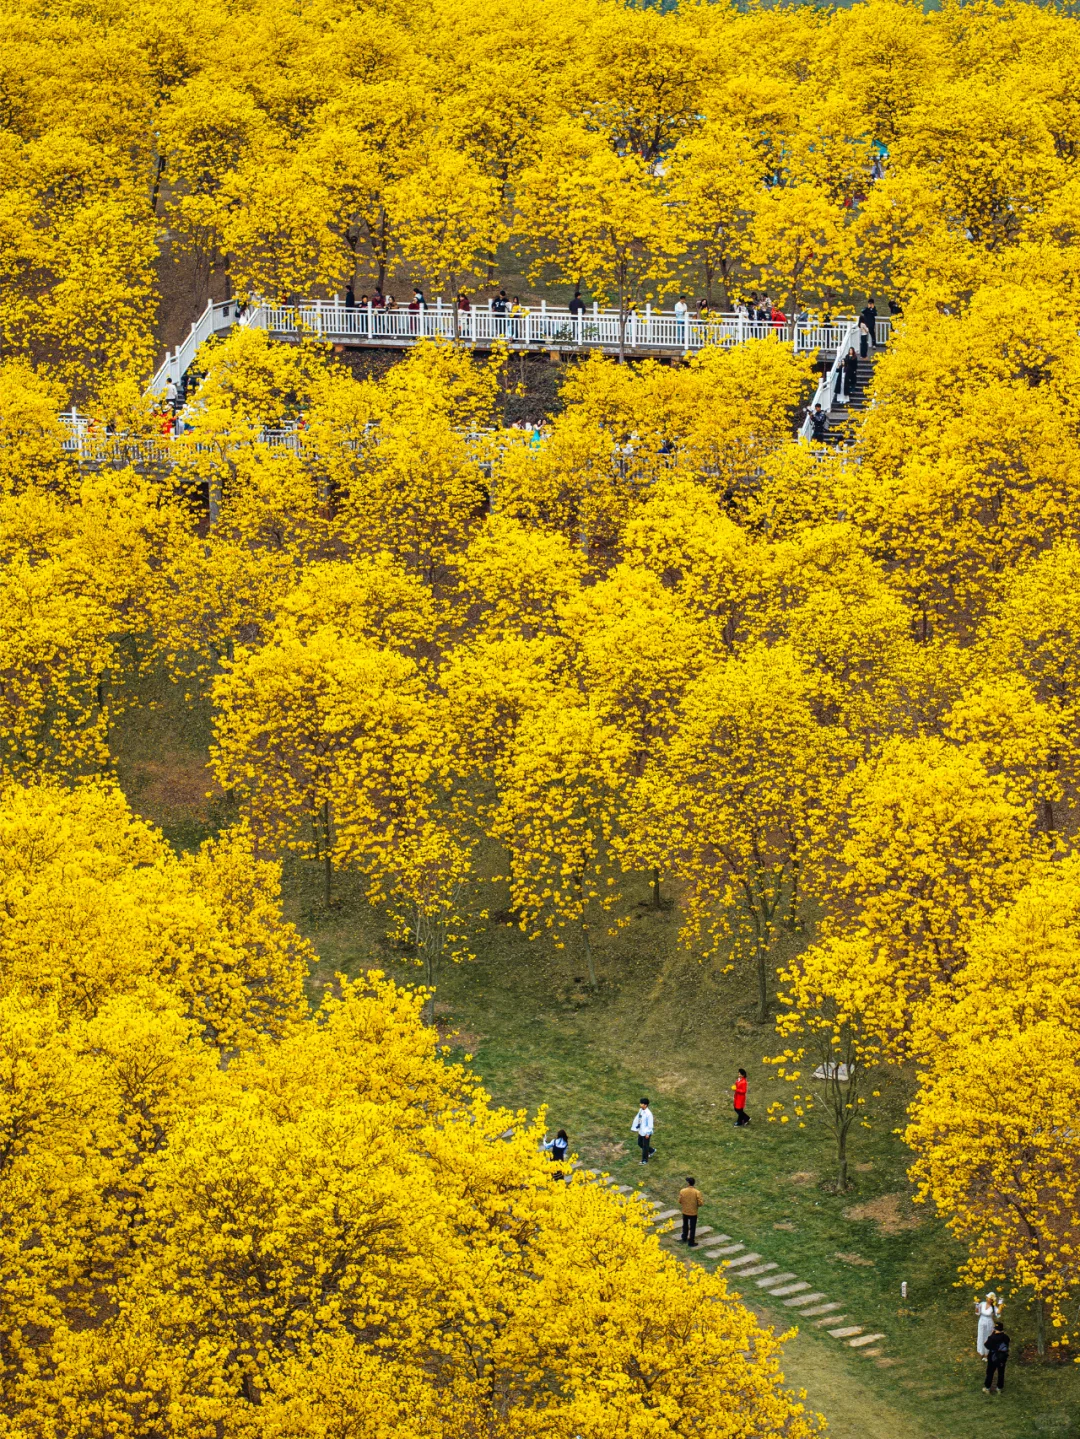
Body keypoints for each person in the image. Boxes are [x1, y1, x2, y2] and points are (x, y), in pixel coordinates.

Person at [983, 1321, 1009, 1393]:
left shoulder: (992, 1338)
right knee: (1001, 1372)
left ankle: (987, 1388)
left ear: (995, 1329)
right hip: (1002, 1357)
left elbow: (986, 1345)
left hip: (993, 1357)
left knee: (990, 1372)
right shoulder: (1006, 1337)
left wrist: (991, 1336)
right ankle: (999, 1388)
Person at [679, 1176, 704, 1246]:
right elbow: (700, 1203)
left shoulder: (683, 1191)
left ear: (688, 1183)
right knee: (692, 1227)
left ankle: (684, 1237)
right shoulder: (697, 1192)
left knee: (685, 1225)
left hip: (685, 1211)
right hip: (693, 1212)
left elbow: (680, 1201)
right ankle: (691, 1242)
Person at [631, 1098, 655, 1163]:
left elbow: (650, 1125)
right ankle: (652, 1150)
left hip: (646, 1133)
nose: (640, 1104)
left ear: (645, 1105)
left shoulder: (648, 1114)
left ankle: (644, 1160)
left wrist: (648, 1133)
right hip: (641, 1131)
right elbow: (639, 1118)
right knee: (639, 1143)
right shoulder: (641, 1110)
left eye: (642, 1103)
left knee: (645, 1146)